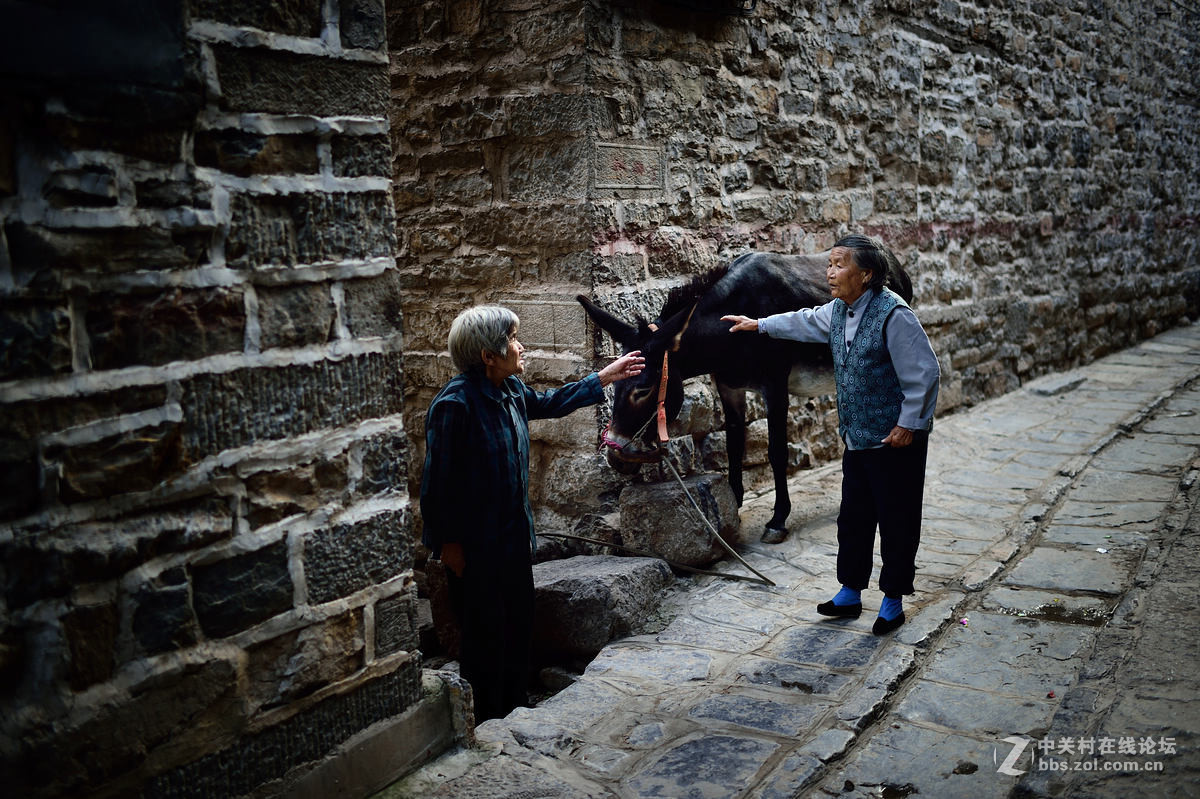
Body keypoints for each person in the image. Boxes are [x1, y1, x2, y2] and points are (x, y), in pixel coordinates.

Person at [420, 305, 645, 721]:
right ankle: (485, 718)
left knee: (517, 626)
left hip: (513, 539)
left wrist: (604, 377)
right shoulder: (455, 405)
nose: (521, 347)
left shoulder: (510, 392)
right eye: (512, 339)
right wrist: (448, 547)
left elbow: (550, 402)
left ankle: (515, 707)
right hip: (474, 548)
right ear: (488, 355)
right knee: (483, 637)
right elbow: (436, 485)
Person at [722, 235, 939, 635]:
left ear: (867, 274)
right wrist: (758, 324)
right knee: (853, 519)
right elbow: (803, 321)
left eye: (839, 264)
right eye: (830, 264)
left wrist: (908, 425)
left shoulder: (895, 315)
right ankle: (850, 592)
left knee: (896, 520)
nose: (829, 272)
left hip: (895, 439)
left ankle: (892, 600)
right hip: (858, 436)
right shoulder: (840, 310)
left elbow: (925, 374)